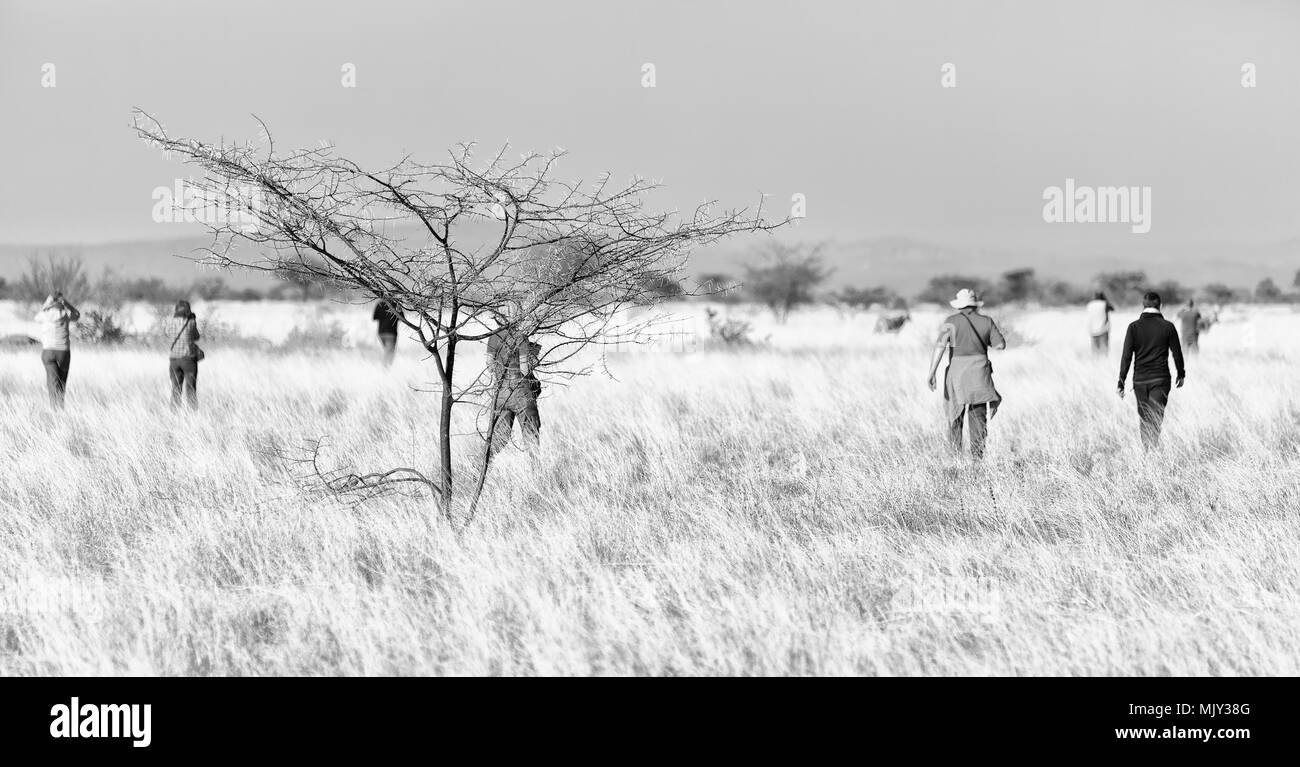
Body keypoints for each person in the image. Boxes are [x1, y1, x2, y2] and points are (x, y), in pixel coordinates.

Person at [927, 288, 1006, 460]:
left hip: (957, 374)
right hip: (979, 374)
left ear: (959, 305)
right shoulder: (986, 321)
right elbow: (1000, 346)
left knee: (955, 416)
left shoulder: (951, 321)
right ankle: (977, 459)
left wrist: (932, 373)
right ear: (975, 304)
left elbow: (940, 347)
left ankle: (955, 457)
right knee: (978, 417)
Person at [1118, 291, 1186, 451]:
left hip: (1140, 380)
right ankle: (1152, 450)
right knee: (1156, 417)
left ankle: (1148, 451)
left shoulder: (1133, 327)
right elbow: (1177, 352)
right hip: (1160, 379)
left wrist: (1121, 381)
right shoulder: (1168, 326)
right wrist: (1181, 373)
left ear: (1143, 306)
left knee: (1145, 417)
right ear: (1160, 306)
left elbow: (1126, 356)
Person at [485, 321, 542, 457]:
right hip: (521, 393)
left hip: (501, 394)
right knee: (531, 437)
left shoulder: (493, 336)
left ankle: (480, 470)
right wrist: (533, 355)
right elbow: (524, 369)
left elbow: (490, 366)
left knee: (499, 438)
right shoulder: (520, 336)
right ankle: (538, 474)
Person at [34, 293, 80, 409]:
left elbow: (36, 317)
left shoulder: (44, 315)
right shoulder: (65, 314)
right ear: (61, 303)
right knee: (62, 381)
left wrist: (47, 302)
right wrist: (66, 302)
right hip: (63, 351)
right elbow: (77, 315)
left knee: (52, 380)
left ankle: (53, 407)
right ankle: (60, 406)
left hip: (48, 351)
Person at [167, 299, 201, 410]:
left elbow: (168, 334)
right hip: (188, 359)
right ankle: (192, 413)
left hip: (174, 359)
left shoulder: (170, 322)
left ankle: (174, 412)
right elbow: (196, 336)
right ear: (188, 310)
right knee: (191, 388)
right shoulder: (191, 322)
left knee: (176, 388)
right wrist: (193, 319)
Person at [373, 300, 402, 366]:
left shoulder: (380, 303)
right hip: (391, 332)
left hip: (381, 333)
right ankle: (385, 369)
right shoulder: (396, 304)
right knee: (389, 352)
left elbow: (374, 317)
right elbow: (402, 318)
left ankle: (385, 369)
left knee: (387, 350)